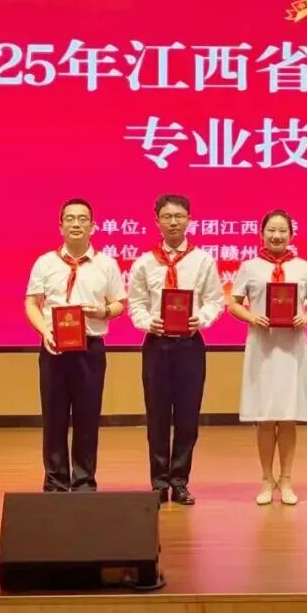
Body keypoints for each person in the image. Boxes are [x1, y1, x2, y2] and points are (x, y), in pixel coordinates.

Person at [128, 194, 225, 505]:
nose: (173, 222)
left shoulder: (203, 260)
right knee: (157, 415)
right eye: (167, 217)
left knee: (187, 416)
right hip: (156, 344)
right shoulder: (144, 262)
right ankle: (159, 482)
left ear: (189, 220)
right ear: (157, 221)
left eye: (179, 216)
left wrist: (202, 319)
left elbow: (215, 300)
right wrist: (148, 322)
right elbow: (136, 304)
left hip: (190, 345)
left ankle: (180, 481)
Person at [25, 198, 126, 492]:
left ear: (93, 226)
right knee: (54, 417)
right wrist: (45, 332)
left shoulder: (106, 264)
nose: (76, 224)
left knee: (87, 417)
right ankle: (56, 481)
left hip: (90, 349)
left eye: (83, 219)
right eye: (69, 219)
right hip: (54, 347)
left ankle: (83, 481)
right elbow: (31, 303)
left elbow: (120, 303)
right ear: (60, 226)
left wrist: (103, 311)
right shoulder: (45, 262)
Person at [229, 209, 307, 505]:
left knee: (288, 416)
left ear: (291, 235)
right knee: (265, 417)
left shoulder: (303, 267)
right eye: (271, 230)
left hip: (292, 347)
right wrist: (251, 317)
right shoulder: (249, 267)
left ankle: (287, 479)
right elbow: (233, 303)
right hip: (262, 346)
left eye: (283, 230)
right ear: (262, 233)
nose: (277, 235)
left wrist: (305, 317)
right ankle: (266, 479)